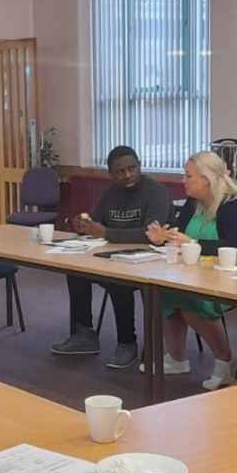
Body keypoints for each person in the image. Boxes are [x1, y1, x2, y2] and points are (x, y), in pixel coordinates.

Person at [145, 151, 237, 390]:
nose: (183, 181)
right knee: (163, 291)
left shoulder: (236, 204)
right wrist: (163, 237)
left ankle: (225, 361)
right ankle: (177, 358)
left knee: (193, 296)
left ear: (207, 179)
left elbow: (236, 248)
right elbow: (180, 234)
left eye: (188, 176)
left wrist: (190, 243)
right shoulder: (194, 202)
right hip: (203, 268)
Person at [51, 145, 171, 369]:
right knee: (76, 271)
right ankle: (84, 334)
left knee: (118, 280)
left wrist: (105, 232)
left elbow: (151, 234)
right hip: (115, 254)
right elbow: (96, 221)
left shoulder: (157, 192)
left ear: (140, 165)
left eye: (132, 168)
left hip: (152, 260)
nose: (127, 175)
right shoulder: (110, 194)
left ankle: (127, 343)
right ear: (111, 174)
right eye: (120, 172)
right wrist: (83, 224)